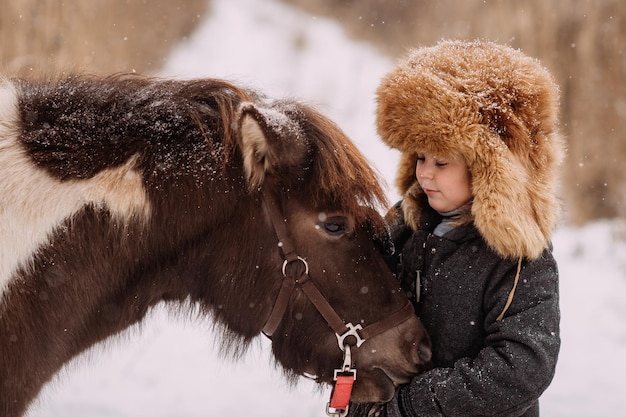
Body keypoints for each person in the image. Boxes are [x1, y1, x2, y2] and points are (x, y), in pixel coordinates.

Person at [352, 40, 564, 417]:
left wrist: (414, 405)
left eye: (442, 161)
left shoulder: (517, 256)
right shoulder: (404, 225)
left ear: (488, 169)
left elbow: (522, 366)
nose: (424, 173)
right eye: (419, 157)